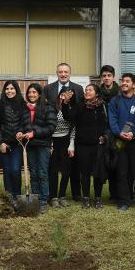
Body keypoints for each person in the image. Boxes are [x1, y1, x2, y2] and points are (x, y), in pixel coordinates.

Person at [43, 63, 84, 201]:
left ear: (70, 73)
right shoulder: (48, 89)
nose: (63, 74)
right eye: (60, 72)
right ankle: (52, 195)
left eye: (66, 72)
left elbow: (79, 112)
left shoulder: (78, 89)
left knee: (70, 168)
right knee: (52, 169)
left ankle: (72, 194)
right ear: (57, 73)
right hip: (52, 136)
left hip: (69, 134)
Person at [65, 84, 108, 209]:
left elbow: (107, 124)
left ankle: (98, 198)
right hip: (82, 145)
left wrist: (104, 136)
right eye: (86, 90)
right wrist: (66, 103)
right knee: (84, 173)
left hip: (98, 144)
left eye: (90, 90)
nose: (87, 92)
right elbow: (69, 117)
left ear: (96, 93)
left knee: (98, 172)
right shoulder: (80, 105)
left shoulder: (103, 106)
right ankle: (86, 198)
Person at [108, 73, 135, 212]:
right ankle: (124, 201)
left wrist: (134, 132)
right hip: (120, 142)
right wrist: (119, 133)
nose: (124, 83)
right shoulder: (115, 101)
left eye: (127, 81)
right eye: (123, 81)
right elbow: (112, 119)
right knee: (122, 172)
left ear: (134, 85)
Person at [21, 83, 57, 214]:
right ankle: (35, 198)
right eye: (29, 92)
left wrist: (34, 133)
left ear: (39, 94)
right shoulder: (25, 108)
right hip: (30, 146)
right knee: (34, 173)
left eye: (34, 92)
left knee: (42, 173)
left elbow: (51, 128)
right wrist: (20, 133)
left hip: (43, 145)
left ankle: (43, 201)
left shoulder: (48, 108)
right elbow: (23, 125)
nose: (31, 95)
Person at [0, 80, 27, 201]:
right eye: (7, 89)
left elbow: (24, 122)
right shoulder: (0, 105)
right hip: (4, 144)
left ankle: (17, 195)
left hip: (17, 144)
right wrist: (0, 142)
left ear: (16, 90)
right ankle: (9, 196)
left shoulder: (23, 104)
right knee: (7, 171)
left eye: (12, 89)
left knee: (16, 169)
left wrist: (21, 132)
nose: (9, 91)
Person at [48, 87, 76, 208]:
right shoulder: (52, 108)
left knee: (66, 171)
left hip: (66, 141)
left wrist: (71, 145)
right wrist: (50, 144)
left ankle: (62, 196)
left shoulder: (72, 109)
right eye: (64, 94)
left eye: (70, 94)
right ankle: (53, 197)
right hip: (53, 141)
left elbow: (74, 128)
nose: (66, 96)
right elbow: (48, 126)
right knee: (53, 171)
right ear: (60, 95)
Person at [98, 64, 120, 201]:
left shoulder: (120, 92)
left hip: (117, 131)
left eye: (109, 76)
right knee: (104, 162)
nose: (106, 78)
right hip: (103, 132)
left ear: (113, 77)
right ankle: (103, 195)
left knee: (117, 162)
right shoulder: (98, 93)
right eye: (104, 76)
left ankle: (117, 193)